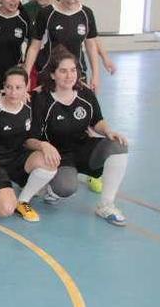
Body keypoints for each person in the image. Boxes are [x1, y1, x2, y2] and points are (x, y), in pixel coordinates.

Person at [31, 46, 129, 226]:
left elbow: (97, 121)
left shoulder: (85, 94)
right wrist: (43, 146)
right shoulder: (41, 99)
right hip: (58, 156)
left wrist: (108, 131)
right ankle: (50, 186)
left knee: (118, 145)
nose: (69, 76)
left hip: (84, 148)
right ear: (53, 75)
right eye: (63, 71)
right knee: (65, 188)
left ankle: (106, 204)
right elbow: (30, 137)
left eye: (72, 70)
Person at [0, 67, 57, 222]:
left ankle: (23, 201)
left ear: (27, 87)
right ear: (3, 87)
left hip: (18, 159)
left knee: (49, 161)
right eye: (9, 87)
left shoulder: (30, 107)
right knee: (5, 209)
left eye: (18, 88)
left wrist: (44, 145)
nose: (13, 93)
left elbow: (30, 139)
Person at [24, 0, 101, 90]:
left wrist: (96, 75)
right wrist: (26, 74)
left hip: (76, 74)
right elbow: (34, 46)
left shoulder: (87, 14)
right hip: (49, 73)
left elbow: (91, 45)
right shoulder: (46, 13)